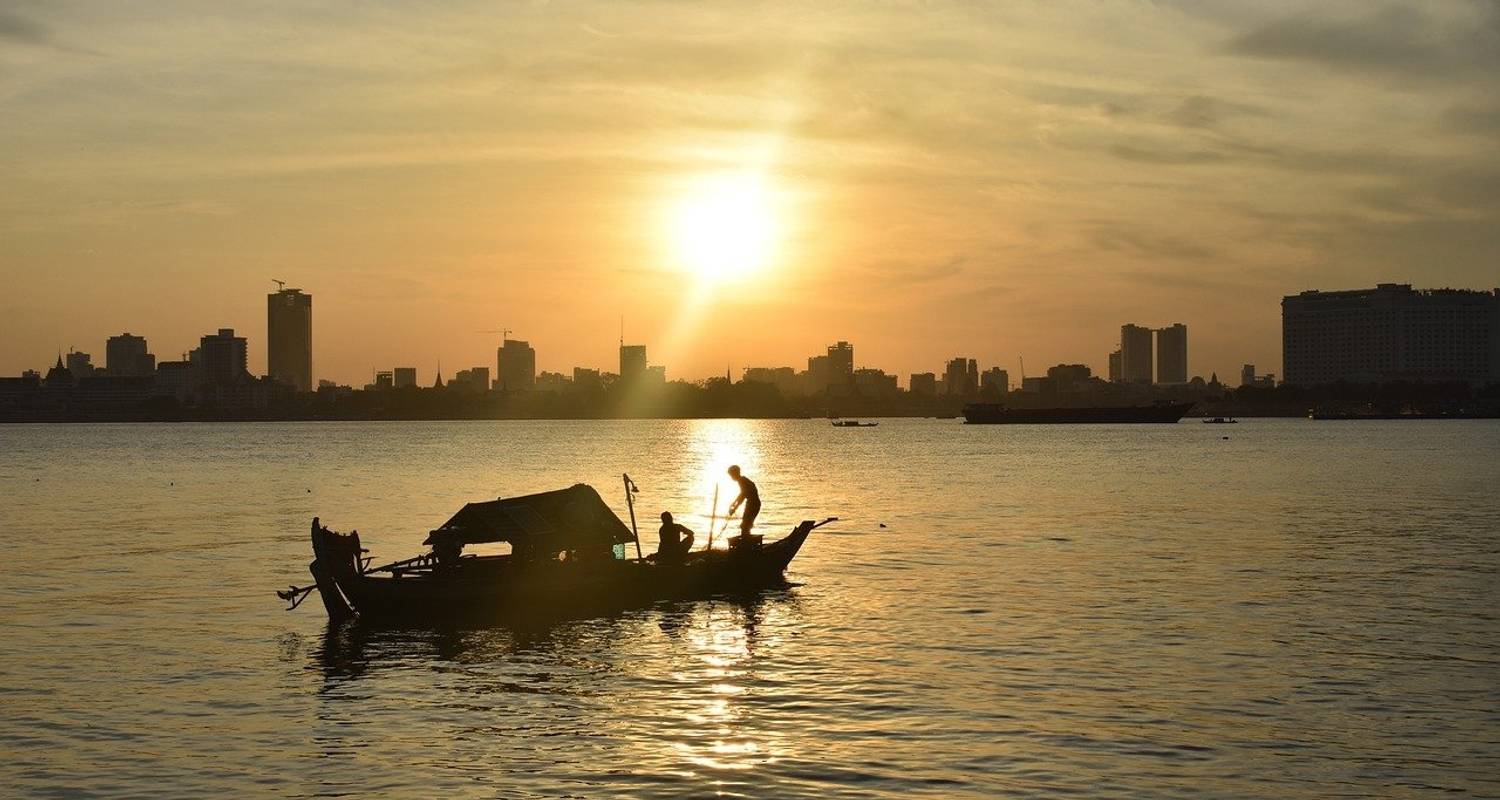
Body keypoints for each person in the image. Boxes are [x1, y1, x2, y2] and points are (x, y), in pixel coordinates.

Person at [726, 465, 760, 538]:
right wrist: (733, 503)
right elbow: (742, 494)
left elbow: (742, 496)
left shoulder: (742, 481)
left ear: (735, 474)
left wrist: (734, 508)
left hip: (753, 504)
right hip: (752, 503)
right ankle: (746, 542)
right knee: (746, 525)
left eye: (731, 475)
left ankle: (746, 545)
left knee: (745, 525)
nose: (731, 477)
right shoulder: (742, 480)